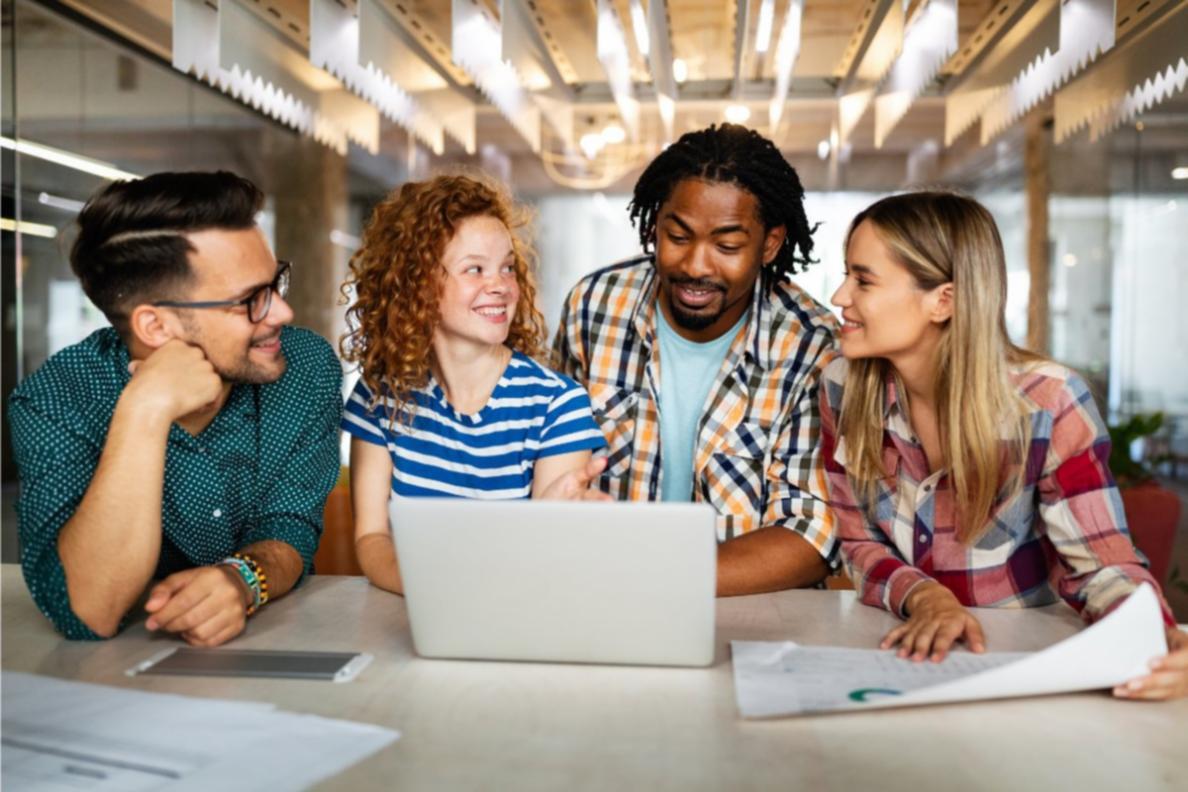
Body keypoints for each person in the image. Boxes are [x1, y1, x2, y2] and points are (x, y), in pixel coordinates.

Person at [821, 190, 1188, 700]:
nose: (840, 297)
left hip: (1026, 664)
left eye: (862, 280)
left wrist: (1151, 634)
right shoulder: (843, 388)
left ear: (943, 301)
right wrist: (924, 597)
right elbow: (856, 542)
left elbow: (1103, 565)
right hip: (894, 654)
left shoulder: (1050, 401)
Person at [8, 171, 343, 646]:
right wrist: (143, 412)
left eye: (275, 284)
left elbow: (288, 525)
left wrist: (244, 578)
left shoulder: (305, 369)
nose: (282, 314)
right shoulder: (55, 399)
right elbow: (88, 611)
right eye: (250, 300)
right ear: (156, 326)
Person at [552, 124, 839, 596]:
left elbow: (811, 533)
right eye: (678, 236)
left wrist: (653, 582)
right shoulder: (595, 305)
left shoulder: (812, 347)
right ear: (654, 225)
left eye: (727, 246)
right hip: (599, 600)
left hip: (748, 619)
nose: (696, 266)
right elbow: (548, 464)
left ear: (769, 245)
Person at [341, 174, 607, 594]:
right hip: (412, 619)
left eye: (507, 267)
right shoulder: (379, 398)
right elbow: (372, 538)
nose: (500, 285)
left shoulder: (558, 405)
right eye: (474, 269)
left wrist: (546, 525)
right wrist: (432, 594)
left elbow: (545, 564)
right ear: (417, 284)